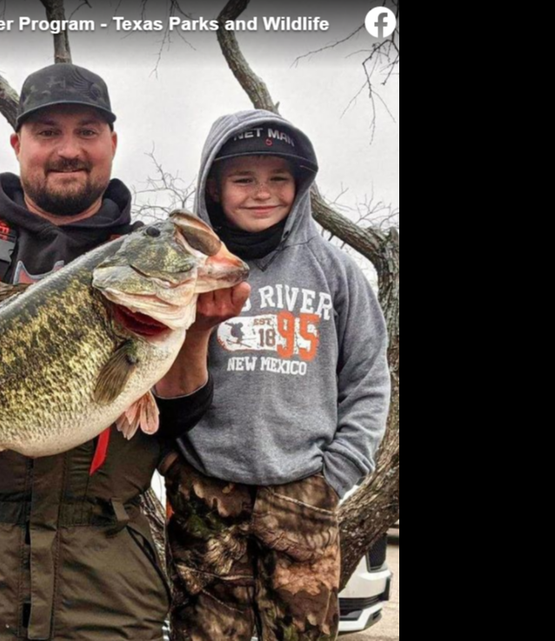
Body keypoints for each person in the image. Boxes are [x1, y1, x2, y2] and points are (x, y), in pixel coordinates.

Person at [0, 63, 240, 641]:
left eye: (87, 131)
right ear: (17, 143)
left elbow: (173, 420)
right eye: (48, 132)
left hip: (107, 572)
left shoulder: (150, 255)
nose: (68, 149)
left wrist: (197, 331)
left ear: (112, 143)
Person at [164, 110, 392, 641]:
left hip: (303, 493)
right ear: (214, 188)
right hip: (204, 492)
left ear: (301, 184)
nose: (261, 193)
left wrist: (336, 474)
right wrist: (175, 462)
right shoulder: (183, 269)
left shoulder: (334, 272)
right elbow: (156, 370)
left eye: (278, 179)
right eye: (243, 179)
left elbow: (368, 379)